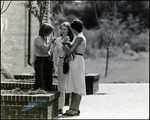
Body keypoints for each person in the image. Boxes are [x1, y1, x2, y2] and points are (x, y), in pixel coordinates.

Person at [62, 19, 86, 116]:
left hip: (77, 61)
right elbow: (73, 46)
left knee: (77, 85)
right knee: (74, 84)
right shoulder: (79, 37)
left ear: (74, 28)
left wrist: (62, 45)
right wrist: (67, 43)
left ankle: (76, 108)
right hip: (76, 60)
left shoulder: (79, 37)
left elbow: (69, 51)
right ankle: (72, 107)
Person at [53, 22, 74, 114]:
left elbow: (72, 52)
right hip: (61, 63)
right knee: (61, 86)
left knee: (71, 86)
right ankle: (60, 107)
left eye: (65, 29)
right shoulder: (58, 39)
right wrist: (55, 66)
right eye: (61, 29)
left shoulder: (72, 40)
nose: (63, 31)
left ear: (68, 30)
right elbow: (55, 54)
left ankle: (72, 107)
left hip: (72, 62)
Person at [32, 23, 55, 91]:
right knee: (41, 78)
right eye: (48, 33)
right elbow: (44, 49)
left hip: (47, 59)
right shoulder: (37, 39)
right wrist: (50, 41)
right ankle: (40, 91)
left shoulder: (45, 38)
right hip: (41, 59)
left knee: (48, 78)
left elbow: (48, 50)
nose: (49, 34)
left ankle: (48, 90)